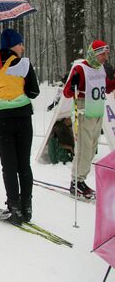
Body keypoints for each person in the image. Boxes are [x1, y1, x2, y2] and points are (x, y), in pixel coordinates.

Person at [0, 28, 40, 225]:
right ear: (12, 45)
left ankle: (14, 207)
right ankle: (26, 207)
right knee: (24, 165)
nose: (22, 47)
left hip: (2, 119)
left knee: (9, 166)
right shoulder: (24, 64)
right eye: (20, 43)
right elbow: (33, 92)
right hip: (22, 118)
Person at [63, 40, 115, 199]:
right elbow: (67, 92)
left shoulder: (101, 68)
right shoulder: (81, 68)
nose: (106, 57)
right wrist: (73, 86)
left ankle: (81, 180)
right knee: (83, 149)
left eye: (107, 54)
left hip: (97, 111)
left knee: (92, 149)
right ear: (95, 54)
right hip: (84, 111)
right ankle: (76, 182)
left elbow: (106, 88)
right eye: (103, 54)